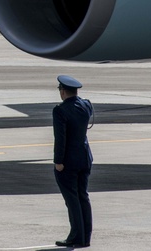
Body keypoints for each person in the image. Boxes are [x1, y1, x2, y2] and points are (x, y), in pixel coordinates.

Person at [53, 75, 93, 248]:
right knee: (83, 196)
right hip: (85, 157)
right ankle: (85, 237)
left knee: (72, 199)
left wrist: (58, 161)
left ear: (63, 91)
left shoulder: (60, 110)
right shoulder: (86, 105)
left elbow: (60, 138)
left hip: (69, 160)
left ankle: (76, 236)